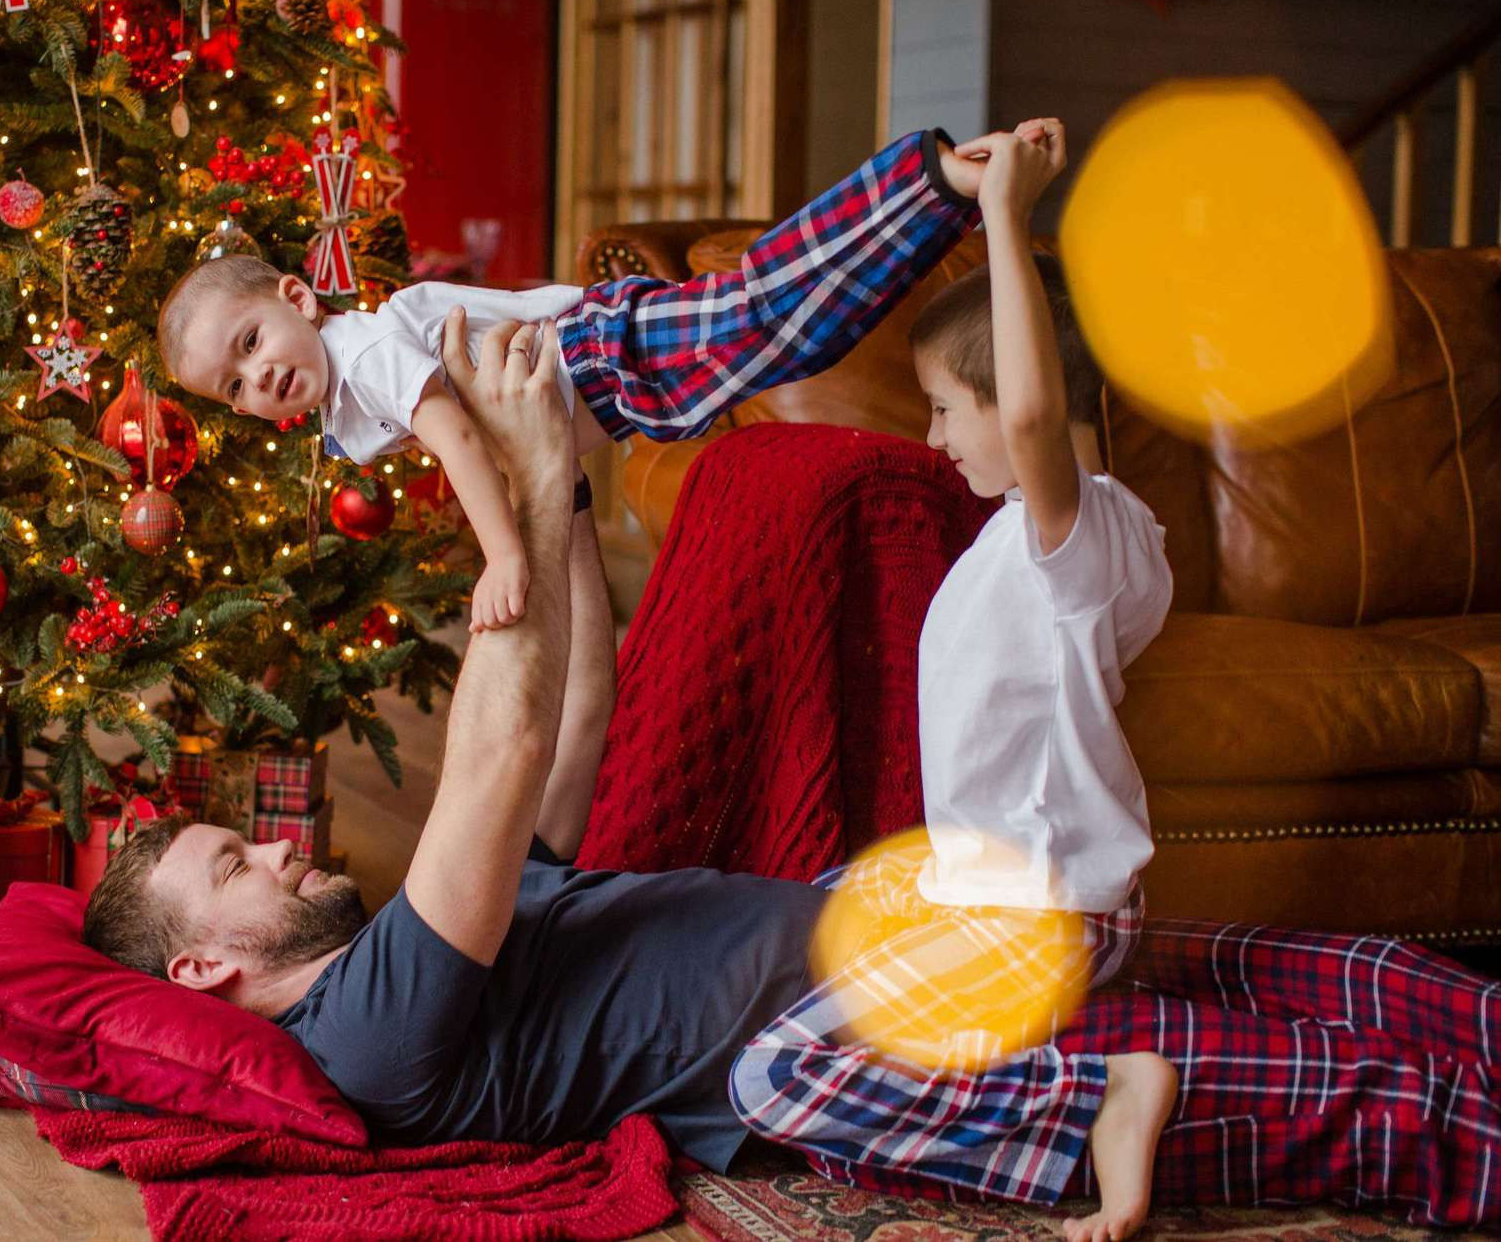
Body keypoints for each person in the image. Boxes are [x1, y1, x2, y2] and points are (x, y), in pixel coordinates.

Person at [90, 274, 1501, 1236]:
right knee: (1354, 1095)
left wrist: (565, 496)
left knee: (1330, 977)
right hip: (887, 1013)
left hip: (906, 914)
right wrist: (511, 484)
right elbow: (499, 741)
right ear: (208, 966)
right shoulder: (374, 1022)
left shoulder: (417, 936)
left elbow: (574, 717)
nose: (284, 840)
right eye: (239, 860)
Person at [732, 120, 1181, 1242]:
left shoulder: (1062, 534)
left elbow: (1031, 414)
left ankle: (1101, 1094)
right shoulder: (1104, 535)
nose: (931, 440)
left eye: (941, 405)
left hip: (1038, 924)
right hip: (1050, 905)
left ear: (1016, 400)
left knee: (770, 1077)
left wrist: (1001, 217)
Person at [156, 125, 997, 632]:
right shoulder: (348, 392)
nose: (256, 376)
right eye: (232, 386)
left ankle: (928, 176)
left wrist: (504, 557)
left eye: (251, 340)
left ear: (299, 298)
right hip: (617, 383)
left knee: (765, 301)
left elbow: (456, 438)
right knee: (797, 334)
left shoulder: (366, 354)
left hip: (605, 356)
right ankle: (942, 201)